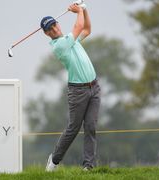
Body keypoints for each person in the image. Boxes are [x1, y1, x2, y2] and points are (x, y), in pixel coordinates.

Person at [42, 1, 101, 171]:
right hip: (78, 91)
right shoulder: (59, 45)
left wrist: (84, 9)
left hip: (94, 87)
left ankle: (88, 166)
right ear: (46, 34)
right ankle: (54, 160)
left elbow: (87, 29)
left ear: (58, 24)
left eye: (54, 25)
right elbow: (79, 25)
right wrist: (78, 11)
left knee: (90, 126)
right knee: (73, 128)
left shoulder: (70, 39)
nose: (54, 29)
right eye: (50, 29)